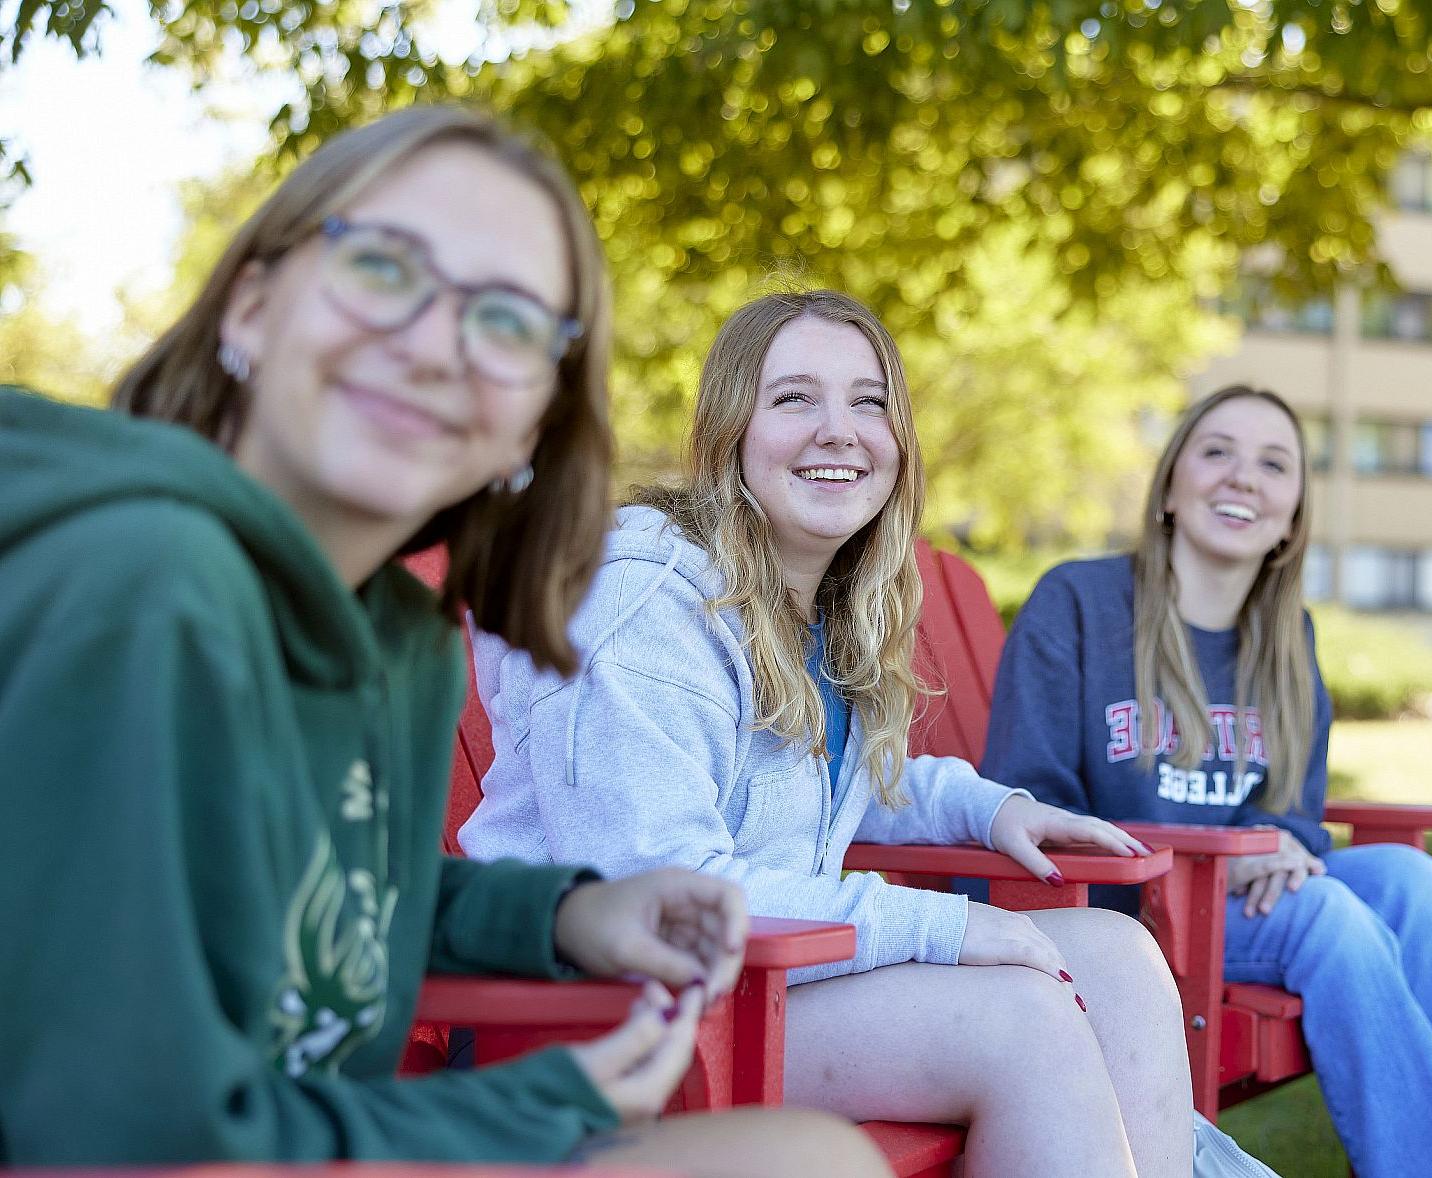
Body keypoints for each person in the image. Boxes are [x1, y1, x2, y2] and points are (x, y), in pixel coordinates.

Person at [0, 105, 884, 1176]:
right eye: (381, 268)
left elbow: (324, 899)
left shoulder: (398, 639)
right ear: (250, 305)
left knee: (805, 1155)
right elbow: (124, 1139)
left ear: (532, 423)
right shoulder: (142, 584)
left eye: (508, 321)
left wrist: (566, 915)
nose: (432, 343)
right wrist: (532, 1107)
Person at [464, 289, 1202, 1177]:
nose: (839, 429)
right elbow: (657, 885)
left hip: (751, 989)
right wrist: (942, 924)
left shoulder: (812, 603)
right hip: (595, 1020)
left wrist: (989, 809)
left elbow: (840, 780)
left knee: (1119, 958)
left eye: (868, 400)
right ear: (727, 431)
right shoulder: (647, 601)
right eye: (793, 398)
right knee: (1024, 1027)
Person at [980, 384, 1432, 1176]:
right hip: (1125, 912)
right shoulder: (1079, 603)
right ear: (1168, 486)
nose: (1242, 478)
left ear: (1293, 517)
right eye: (1216, 451)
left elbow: (1293, 810)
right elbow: (1032, 796)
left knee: (1410, 879)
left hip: (1235, 905)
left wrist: (1278, 847)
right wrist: (1239, 856)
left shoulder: (1286, 636)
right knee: (1324, 914)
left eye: (1273, 464)